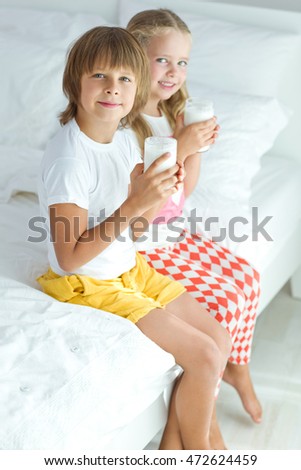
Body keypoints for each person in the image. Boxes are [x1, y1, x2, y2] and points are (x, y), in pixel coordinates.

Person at [36, 26, 233, 450]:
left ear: (137, 87)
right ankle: (203, 451)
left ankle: (174, 445)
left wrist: (152, 199)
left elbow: (136, 230)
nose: (113, 89)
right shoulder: (69, 158)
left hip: (128, 267)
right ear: (75, 83)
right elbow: (69, 258)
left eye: (125, 78)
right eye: (99, 76)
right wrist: (134, 204)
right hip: (88, 284)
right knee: (202, 356)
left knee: (220, 340)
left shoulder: (127, 141)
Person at [125, 9, 262, 446]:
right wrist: (180, 146)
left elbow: (183, 194)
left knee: (246, 278)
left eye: (182, 63)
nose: (174, 72)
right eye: (163, 60)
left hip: (171, 232)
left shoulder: (171, 112)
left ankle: (236, 365)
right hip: (142, 243)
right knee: (218, 304)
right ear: (133, 56)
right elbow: (144, 203)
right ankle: (201, 421)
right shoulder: (124, 122)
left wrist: (193, 147)